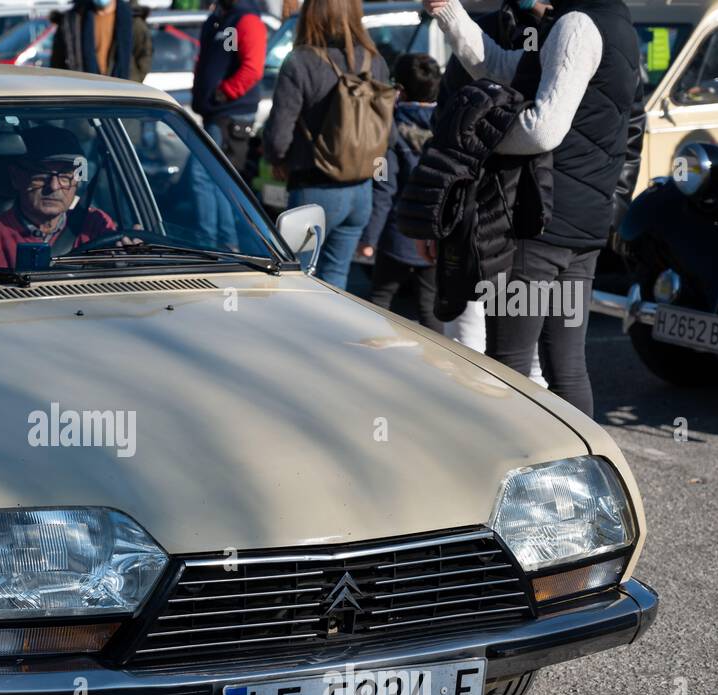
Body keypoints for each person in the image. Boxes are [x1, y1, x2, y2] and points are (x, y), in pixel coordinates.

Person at [424, 0, 640, 417]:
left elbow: (542, 129)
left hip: (535, 222)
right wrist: (452, 16)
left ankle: (509, 469)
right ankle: (578, 470)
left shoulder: (577, 25)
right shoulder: (619, 26)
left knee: (508, 364)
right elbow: (508, 68)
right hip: (582, 229)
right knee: (568, 368)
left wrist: (478, 140)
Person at [263, 0, 390, 289]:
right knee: (335, 282)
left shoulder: (301, 61)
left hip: (315, 187)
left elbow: (279, 134)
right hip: (361, 190)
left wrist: (277, 159)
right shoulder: (375, 60)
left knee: (296, 283)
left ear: (311, 13)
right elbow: (387, 132)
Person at [0, 125, 120, 270]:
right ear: (16, 177)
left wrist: (130, 254)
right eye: (41, 175)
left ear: (77, 181)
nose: (54, 186)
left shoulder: (95, 225)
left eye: (65, 176)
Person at [359, 53, 443, 331]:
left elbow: (384, 187)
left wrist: (369, 238)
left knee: (379, 300)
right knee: (429, 308)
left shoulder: (391, 130)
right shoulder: (447, 125)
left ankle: (369, 358)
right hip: (433, 233)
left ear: (400, 90)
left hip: (398, 234)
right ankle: (438, 365)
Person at [189, 0, 266, 249]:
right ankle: (224, 244)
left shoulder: (246, 19)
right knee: (216, 177)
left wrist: (224, 92)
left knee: (204, 174)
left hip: (230, 114)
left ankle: (213, 243)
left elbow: (253, 68)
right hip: (216, 113)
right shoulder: (220, 19)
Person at [49, 0, 151, 82]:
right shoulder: (72, 21)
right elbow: (57, 62)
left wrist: (135, 80)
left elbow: (144, 53)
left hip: (123, 95)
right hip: (84, 95)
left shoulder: (132, 19)